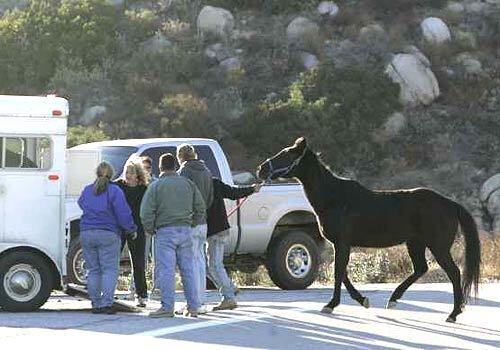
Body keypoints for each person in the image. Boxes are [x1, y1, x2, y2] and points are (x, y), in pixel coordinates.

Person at [140, 153, 206, 318]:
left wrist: (151, 228)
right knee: (188, 270)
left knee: (166, 271)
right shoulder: (188, 184)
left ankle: (167, 307)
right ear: (176, 167)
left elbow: (145, 212)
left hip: (164, 231)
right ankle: (193, 307)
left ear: (160, 167)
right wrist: (193, 223)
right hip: (185, 230)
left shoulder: (156, 186)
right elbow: (200, 207)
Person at [78, 161, 137, 315]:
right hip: (108, 233)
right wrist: (131, 228)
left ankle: (96, 304)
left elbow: (81, 204)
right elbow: (123, 213)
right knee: (109, 269)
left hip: (87, 233)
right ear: (111, 174)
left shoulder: (87, 190)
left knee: (93, 270)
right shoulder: (114, 191)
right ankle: (106, 304)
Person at [208, 178, 262, 311]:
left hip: (214, 231)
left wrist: (251, 189)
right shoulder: (213, 182)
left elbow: (233, 192)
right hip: (221, 229)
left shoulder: (196, 182)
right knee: (210, 266)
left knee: (214, 265)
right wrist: (252, 189)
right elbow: (233, 193)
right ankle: (230, 288)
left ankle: (229, 297)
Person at [176, 143, 213, 314]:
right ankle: (201, 300)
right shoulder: (206, 171)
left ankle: (193, 301)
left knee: (189, 262)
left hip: (189, 221)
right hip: (203, 220)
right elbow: (211, 197)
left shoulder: (184, 171)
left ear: (180, 156)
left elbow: (181, 195)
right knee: (199, 261)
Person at [115, 161, 149, 307]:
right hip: (120, 226)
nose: (128, 176)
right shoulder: (118, 186)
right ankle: (109, 291)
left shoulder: (144, 189)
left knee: (138, 262)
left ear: (138, 175)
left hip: (137, 227)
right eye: (126, 172)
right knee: (112, 259)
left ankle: (141, 295)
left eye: (131, 173)